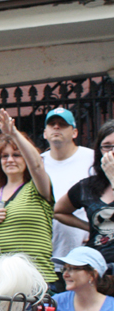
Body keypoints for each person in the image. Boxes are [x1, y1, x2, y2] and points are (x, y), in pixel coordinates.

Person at [0, 110, 56, 286]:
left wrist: (14, 134)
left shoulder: (37, 189)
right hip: (1, 283)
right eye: (4, 156)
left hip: (36, 281)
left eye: (16, 155)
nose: (10, 160)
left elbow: (38, 165)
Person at [41, 108, 95, 290]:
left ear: (74, 132)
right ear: (45, 133)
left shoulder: (91, 159)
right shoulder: (38, 163)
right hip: (47, 258)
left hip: (84, 257)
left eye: (63, 124)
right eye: (52, 124)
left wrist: (93, 229)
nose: (57, 127)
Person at [54, 120, 114, 266]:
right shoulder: (88, 186)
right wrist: (89, 227)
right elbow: (58, 211)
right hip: (99, 268)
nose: (112, 152)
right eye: (107, 146)